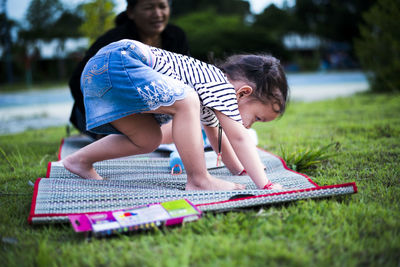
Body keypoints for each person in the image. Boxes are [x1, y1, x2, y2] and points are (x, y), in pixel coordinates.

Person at [63, 39, 289, 191]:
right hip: (121, 59)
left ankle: (80, 160)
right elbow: (239, 137)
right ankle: (198, 179)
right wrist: (264, 184)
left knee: (148, 139)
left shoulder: (209, 97)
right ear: (243, 93)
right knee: (187, 99)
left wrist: (239, 169)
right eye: (257, 118)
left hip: (97, 71)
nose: (249, 126)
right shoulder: (222, 86)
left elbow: (218, 138)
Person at [68, 0, 189, 140]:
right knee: (141, 140)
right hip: (103, 111)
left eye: (162, 6)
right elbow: (78, 80)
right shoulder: (113, 41)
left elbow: (185, 78)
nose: (158, 14)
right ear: (131, 12)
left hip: (150, 112)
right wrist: (102, 120)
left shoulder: (176, 37)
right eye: (149, 7)